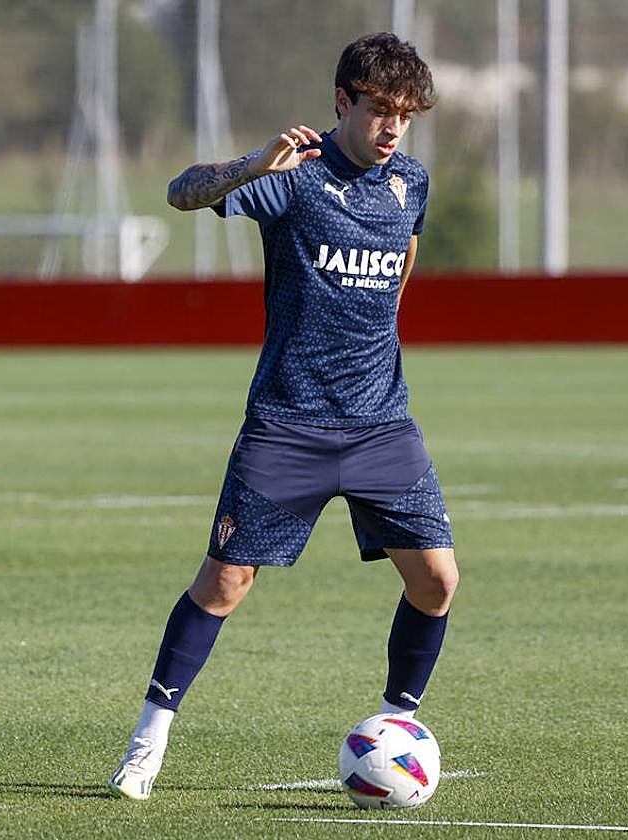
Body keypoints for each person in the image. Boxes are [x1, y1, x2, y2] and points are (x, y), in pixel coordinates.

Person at [109, 32, 457, 801]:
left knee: (436, 581)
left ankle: (396, 727)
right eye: (378, 110)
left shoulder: (412, 182)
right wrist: (251, 165)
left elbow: (398, 278)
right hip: (287, 427)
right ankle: (147, 740)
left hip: (379, 425)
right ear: (342, 102)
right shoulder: (293, 176)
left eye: (405, 114)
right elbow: (179, 190)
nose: (392, 127)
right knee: (225, 583)